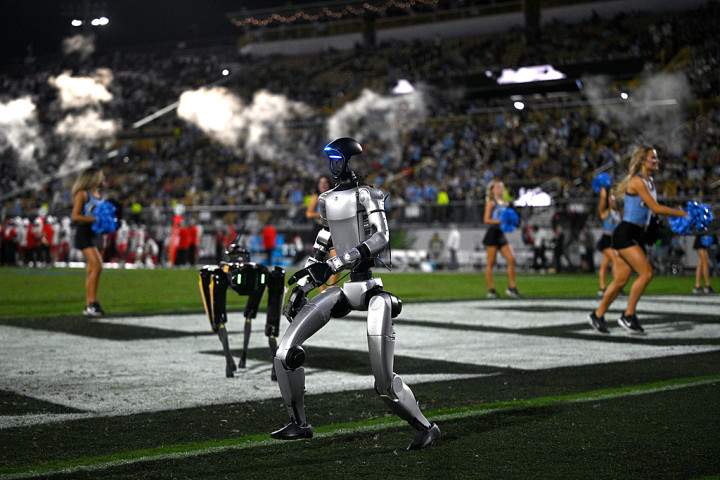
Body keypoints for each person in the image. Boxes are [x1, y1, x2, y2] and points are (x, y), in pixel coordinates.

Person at [272, 137, 440, 450]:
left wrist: (338, 262)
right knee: (285, 353)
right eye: (331, 160)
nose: (333, 165)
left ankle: (425, 427)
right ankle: (299, 423)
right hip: (343, 291)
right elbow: (324, 239)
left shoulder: (367, 194)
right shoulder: (327, 199)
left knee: (384, 382)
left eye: (338, 159)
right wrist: (303, 285)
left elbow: (381, 237)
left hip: (372, 291)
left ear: (349, 161)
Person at [588, 146, 688, 334]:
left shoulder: (650, 182)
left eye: (656, 158)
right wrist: (682, 213)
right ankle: (628, 315)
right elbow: (655, 207)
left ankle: (597, 315)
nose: (656, 161)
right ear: (643, 160)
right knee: (646, 273)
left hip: (636, 234)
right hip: (626, 234)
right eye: (653, 158)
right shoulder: (637, 181)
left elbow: (649, 212)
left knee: (621, 280)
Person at [71, 167, 107, 317]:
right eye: (101, 176)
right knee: (97, 265)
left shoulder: (100, 194)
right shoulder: (83, 193)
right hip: (85, 233)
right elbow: (75, 216)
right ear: (93, 178)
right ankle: (92, 303)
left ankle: (89, 305)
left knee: (93, 269)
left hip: (97, 234)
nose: (103, 178)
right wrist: (94, 219)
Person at [482, 179, 520, 298]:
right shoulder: (491, 203)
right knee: (491, 263)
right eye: (498, 187)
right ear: (492, 190)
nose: (500, 189)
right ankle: (491, 290)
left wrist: (511, 223)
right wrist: (499, 221)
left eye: (501, 187)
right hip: (492, 233)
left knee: (511, 259)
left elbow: (508, 218)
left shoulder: (505, 203)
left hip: (500, 234)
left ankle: (512, 288)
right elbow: (486, 220)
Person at [306, 175, 339, 289]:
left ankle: (331, 288)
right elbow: (309, 213)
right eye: (320, 182)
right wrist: (323, 215)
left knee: (337, 261)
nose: (323, 184)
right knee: (318, 264)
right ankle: (323, 292)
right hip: (319, 230)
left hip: (332, 229)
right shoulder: (316, 196)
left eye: (325, 182)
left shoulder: (334, 195)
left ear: (329, 184)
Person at [595, 187, 622, 295]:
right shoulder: (606, 212)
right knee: (616, 261)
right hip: (607, 239)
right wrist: (603, 194)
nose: (613, 201)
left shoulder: (617, 213)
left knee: (605, 265)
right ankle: (617, 286)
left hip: (614, 239)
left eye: (614, 200)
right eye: (611, 200)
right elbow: (601, 206)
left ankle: (602, 288)